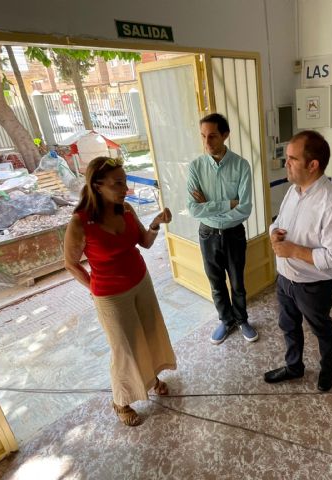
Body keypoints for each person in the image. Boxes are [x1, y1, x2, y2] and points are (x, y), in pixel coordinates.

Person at [64, 156, 176, 426]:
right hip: (110, 295)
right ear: (97, 185)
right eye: (118, 183)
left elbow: (145, 242)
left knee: (149, 332)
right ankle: (121, 400)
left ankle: (151, 378)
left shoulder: (125, 209)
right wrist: (95, 288)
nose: (125, 188)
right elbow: (71, 264)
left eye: (125, 182)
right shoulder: (80, 223)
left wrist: (155, 224)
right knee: (125, 348)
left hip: (141, 281)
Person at [264, 130, 332, 392]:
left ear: (312, 165)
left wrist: (293, 250)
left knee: (321, 328)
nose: (286, 163)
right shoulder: (293, 192)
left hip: (313, 286)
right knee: (288, 325)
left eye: (292, 158)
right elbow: (278, 223)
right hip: (285, 279)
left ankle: (329, 366)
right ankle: (294, 367)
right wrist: (274, 234)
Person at [186, 113, 258, 345]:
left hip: (234, 233)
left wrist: (208, 206)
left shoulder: (241, 166)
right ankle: (226, 321)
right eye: (203, 136)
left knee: (237, 283)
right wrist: (228, 204)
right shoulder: (195, 168)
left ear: (225, 135)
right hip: (207, 234)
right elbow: (193, 209)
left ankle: (242, 320)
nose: (207, 142)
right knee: (216, 284)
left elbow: (244, 209)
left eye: (213, 136)